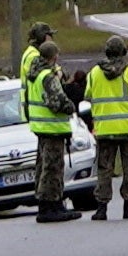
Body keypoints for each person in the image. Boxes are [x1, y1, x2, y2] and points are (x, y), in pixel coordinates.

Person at [79, 38, 128, 219]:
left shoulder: (94, 73)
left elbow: (87, 96)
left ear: (106, 52)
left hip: (105, 130)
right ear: (123, 52)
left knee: (104, 169)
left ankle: (102, 208)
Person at [22, 42, 80, 223]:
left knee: (44, 166)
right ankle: (50, 206)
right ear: (53, 56)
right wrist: (71, 105)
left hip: (41, 128)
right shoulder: (48, 76)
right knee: (52, 169)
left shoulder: (34, 73)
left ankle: (52, 204)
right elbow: (58, 102)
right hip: (53, 128)